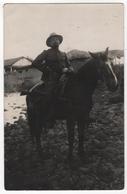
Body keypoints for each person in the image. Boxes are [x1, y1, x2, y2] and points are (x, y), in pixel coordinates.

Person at [30, 33, 74, 126]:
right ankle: (49, 117)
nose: (55, 41)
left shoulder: (63, 54)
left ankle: (78, 113)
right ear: (49, 43)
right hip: (51, 79)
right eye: (52, 40)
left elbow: (69, 65)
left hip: (64, 77)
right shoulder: (46, 53)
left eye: (57, 39)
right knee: (50, 94)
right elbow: (35, 63)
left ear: (59, 41)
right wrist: (47, 70)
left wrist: (70, 69)